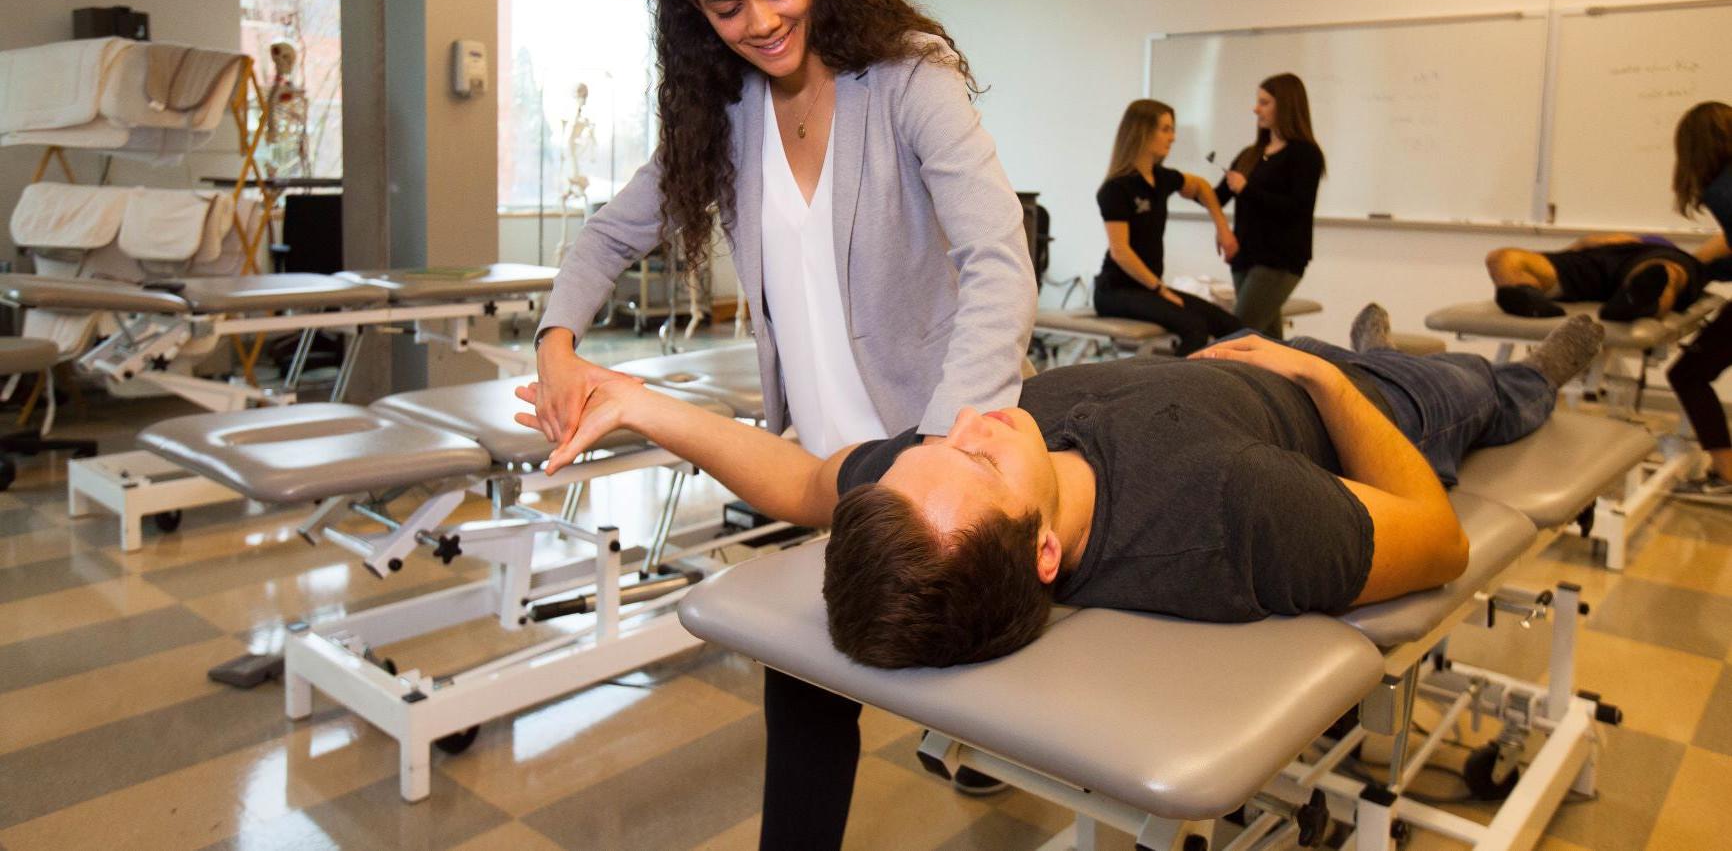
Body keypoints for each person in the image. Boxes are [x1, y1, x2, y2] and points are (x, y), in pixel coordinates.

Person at [527, 0, 1036, 849]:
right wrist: (556, 340)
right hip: (809, 468)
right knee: (804, 713)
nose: (758, 22)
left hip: (933, 456)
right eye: (725, 7)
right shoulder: (721, 116)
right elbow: (601, 238)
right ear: (693, 15)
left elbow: (997, 260)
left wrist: (938, 456)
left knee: (1017, 692)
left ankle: (992, 756)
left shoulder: (905, 75)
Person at [516, 306, 1603, 670]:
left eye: (939, 442)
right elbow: (1437, 537)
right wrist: (1317, 374)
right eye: (980, 457)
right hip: (1369, 406)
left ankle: (1355, 334)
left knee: (1353, 344)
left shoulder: (944, 490)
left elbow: (803, 479)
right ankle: (1532, 372)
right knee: (1479, 387)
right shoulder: (1231, 513)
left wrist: (640, 403)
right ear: (1043, 552)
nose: (978, 421)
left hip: (1232, 368)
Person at [1093, 99, 1240, 355]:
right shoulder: (1116, 188)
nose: (1172, 137)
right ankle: (1176, 390)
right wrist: (1160, 289)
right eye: (1166, 129)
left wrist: (1223, 228)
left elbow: (1202, 187)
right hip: (1115, 292)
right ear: (1142, 131)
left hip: (1148, 289)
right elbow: (1121, 252)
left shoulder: (1161, 178)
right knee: (1195, 328)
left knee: (1231, 325)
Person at [1215, 73, 1326, 337]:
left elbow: (1298, 207)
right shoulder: (1250, 154)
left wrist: (1247, 189)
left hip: (1279, 260)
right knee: (1267, 339)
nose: (1256, 109)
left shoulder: (1305, 154)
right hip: (1244, 257)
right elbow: (1216, 197)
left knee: (1237, 333)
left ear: (1285, 105)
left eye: (1264, 102)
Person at [1666, 101, 1732, 491]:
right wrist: (1703, 268)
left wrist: (1697, 270)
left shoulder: (1722, 190)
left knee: (1687, 374)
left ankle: (1727, 474)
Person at [1486, 234, 1707, 321]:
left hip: (1654, 259)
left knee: (1664, 272)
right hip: (1594, 260)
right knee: (1501, 258)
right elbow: (1569, 253)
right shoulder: (1603, 239)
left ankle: (1637, 302)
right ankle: (1523, 294)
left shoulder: (1672, 254)